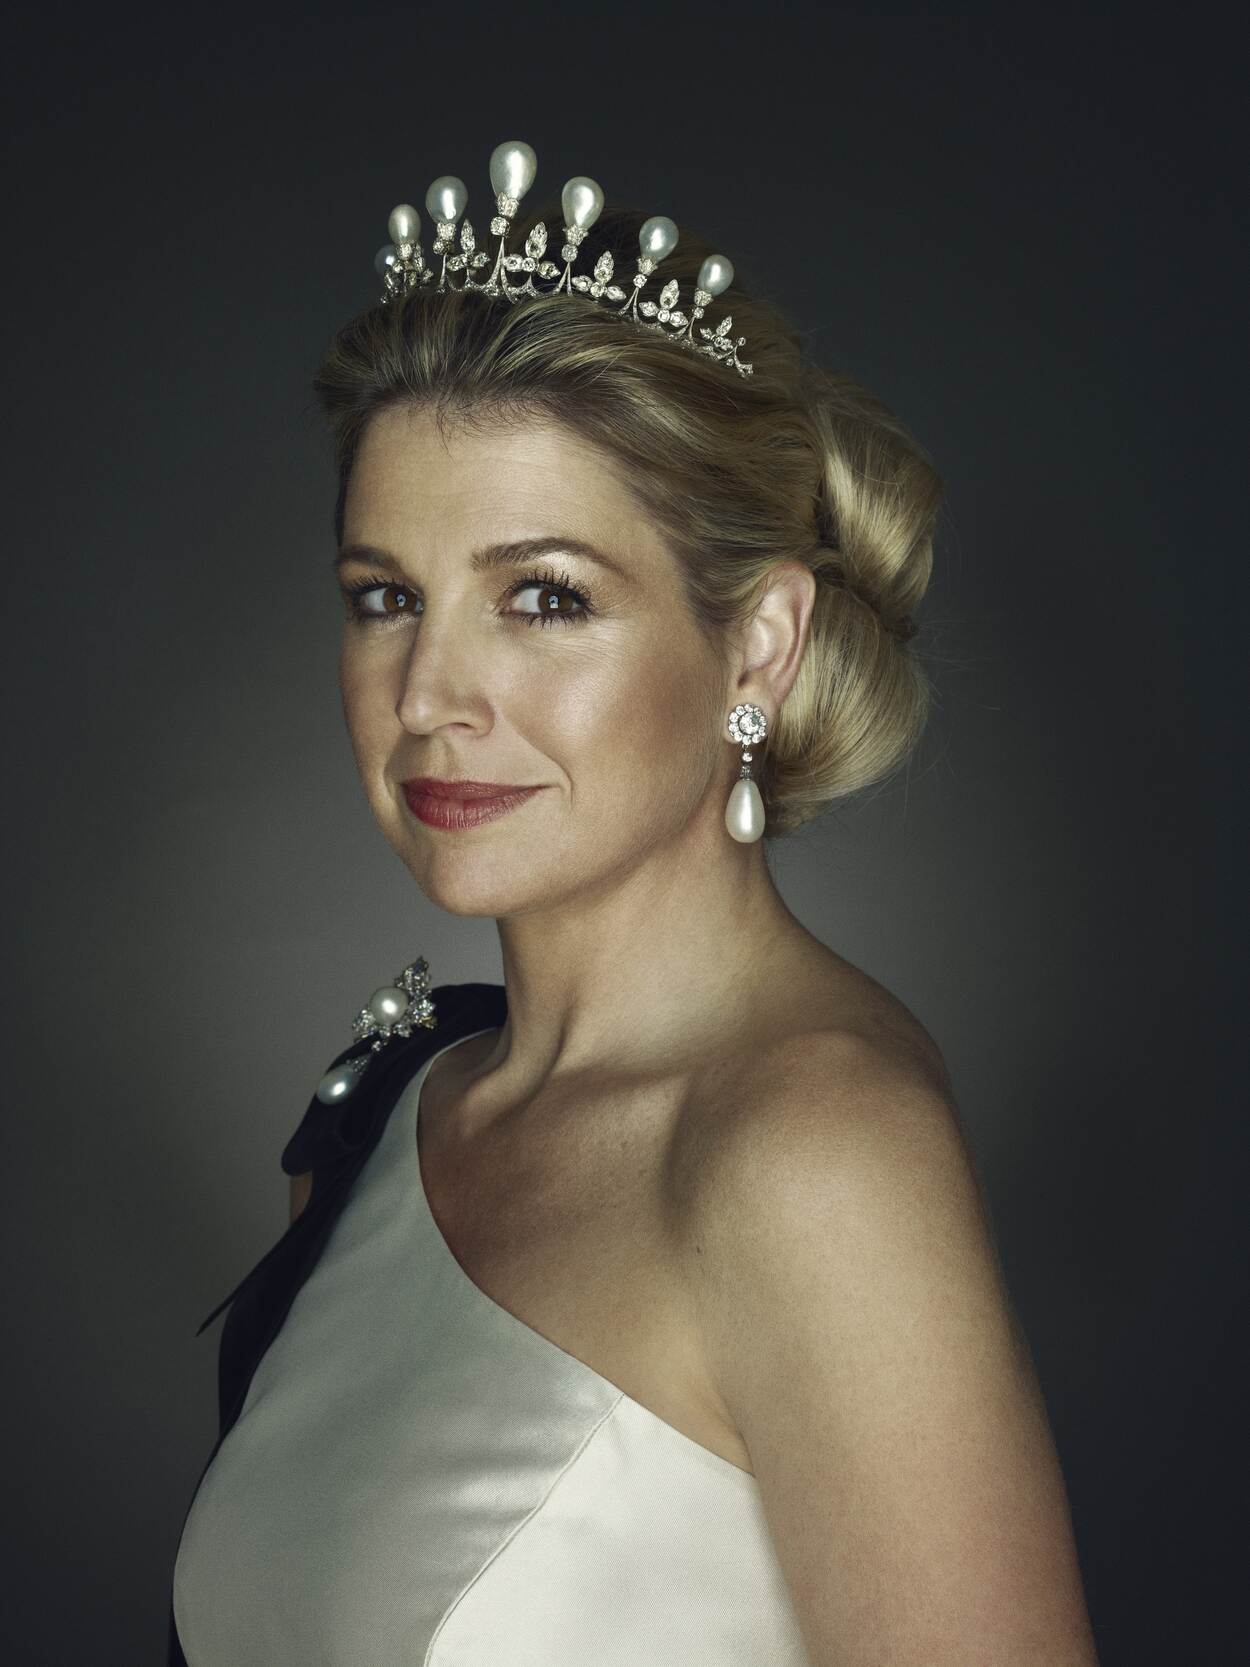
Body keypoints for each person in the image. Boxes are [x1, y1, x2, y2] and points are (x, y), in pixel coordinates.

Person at [167, 142, 1100, 1665]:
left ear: (758, 644)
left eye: (544, 597)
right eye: (386, 597)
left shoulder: (813, 1154)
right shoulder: (389, 1108)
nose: (429, 694)